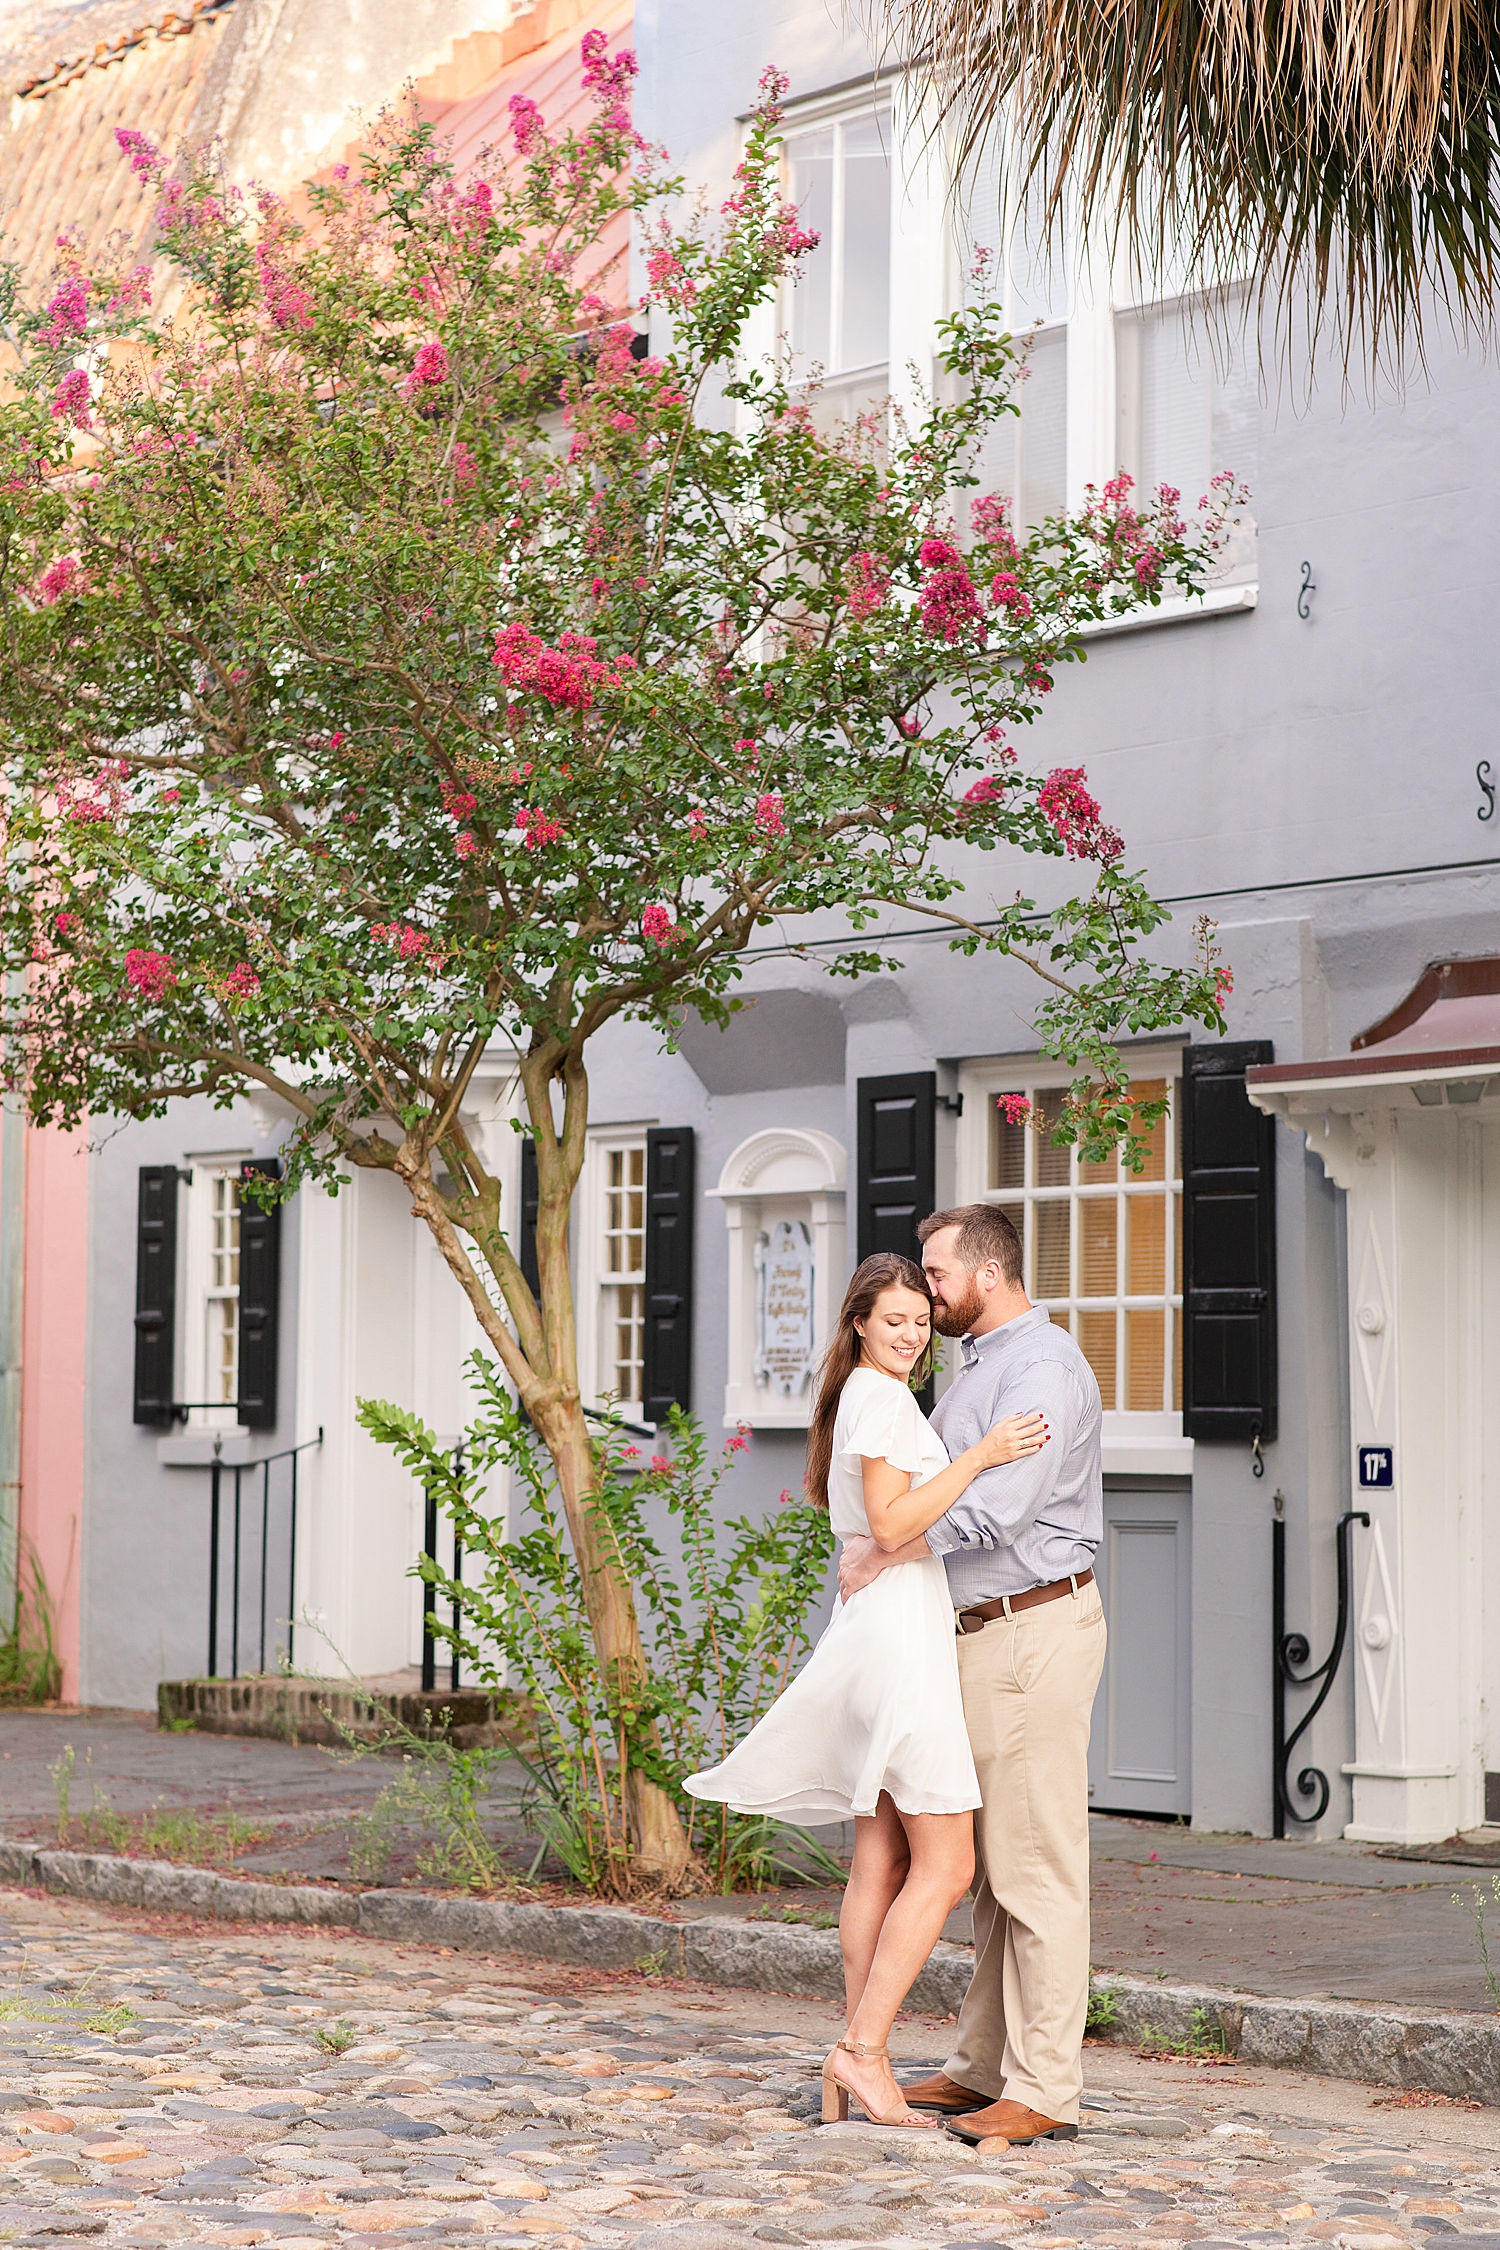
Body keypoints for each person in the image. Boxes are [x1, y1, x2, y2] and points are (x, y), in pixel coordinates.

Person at [685, 1250, 1048, 2131]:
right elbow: (890, 1521)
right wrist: (987, 1454)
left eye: (922, 1321)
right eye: (895, 1320)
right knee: (950, 1861)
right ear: (859, 1323)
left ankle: (856, 2050)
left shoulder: (864, 1397)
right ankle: (865, 2051)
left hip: (881, 1624)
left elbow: (877, 1528)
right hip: (897, 1644)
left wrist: (892, 1535)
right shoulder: (881, 1399)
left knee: (880, 1858)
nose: (913, 1335)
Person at [838, 1203, 1106, 2149]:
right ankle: (980, 2067)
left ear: (987, 1274)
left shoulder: (1039, 1369)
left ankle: (1045, 2088)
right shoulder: (980, 1367)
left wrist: (889, 1549)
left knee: (1036, 1867)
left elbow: (998, 1509)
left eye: (936, 1273)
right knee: (990, 1869)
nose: (925, 1288)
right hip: (976, 1635)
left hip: (1030, 1628)